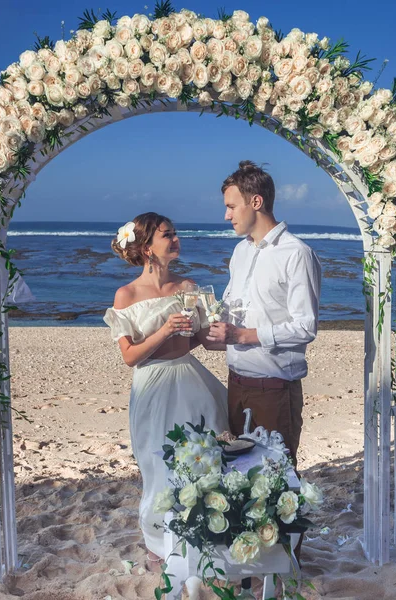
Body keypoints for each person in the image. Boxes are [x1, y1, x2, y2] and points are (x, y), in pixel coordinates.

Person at [103, 212, 228, 560]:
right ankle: (164, 540)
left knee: (206, 456)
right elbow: (130, 357)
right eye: (166, 235)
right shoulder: (125, 295)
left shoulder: (189, 288)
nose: (175, 239)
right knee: (158, 460)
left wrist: (228, 328)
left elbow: (204, 340)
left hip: (190, 379)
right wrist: (165, 330)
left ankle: (207, 531)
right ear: (146, 248)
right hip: (152, 386)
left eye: (175, 233)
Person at [207, 161, 321, 465]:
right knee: (237, 481)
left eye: (232, 206)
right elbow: (233, 312)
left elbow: (305, 326)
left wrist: (241, 335)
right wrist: (209, 326)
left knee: (277, 481)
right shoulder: (240, 251)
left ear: (256, 202)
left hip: (274, 390)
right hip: (235, 385)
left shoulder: (297, 253)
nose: (226, 215)